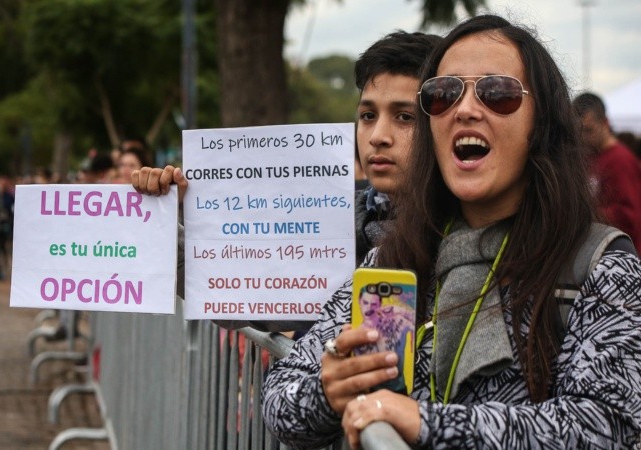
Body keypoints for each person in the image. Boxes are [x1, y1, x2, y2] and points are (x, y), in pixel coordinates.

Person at [262, 14, 641, 449]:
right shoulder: (394, 258)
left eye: (496, 93)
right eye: (442, 94)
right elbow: (281, 396)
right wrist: (327, 393)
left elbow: (607, 425)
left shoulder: (599, 268)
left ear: (542, 124)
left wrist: (427, 422)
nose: (464, 108)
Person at [131, 32, 440, 333]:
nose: (377, 137)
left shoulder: (463, 233)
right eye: (368, 115)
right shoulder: (337, 223)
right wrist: (165, 217)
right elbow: (239, 302)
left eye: (405, 117)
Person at [573, 92, 641, 253]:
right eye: (579, 131)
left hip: (622, 254)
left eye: (589, 130)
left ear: (605, 123)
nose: (583, 137)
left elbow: (630, 216)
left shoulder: (620, 160)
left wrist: (583, 212)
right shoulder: (589, 156)